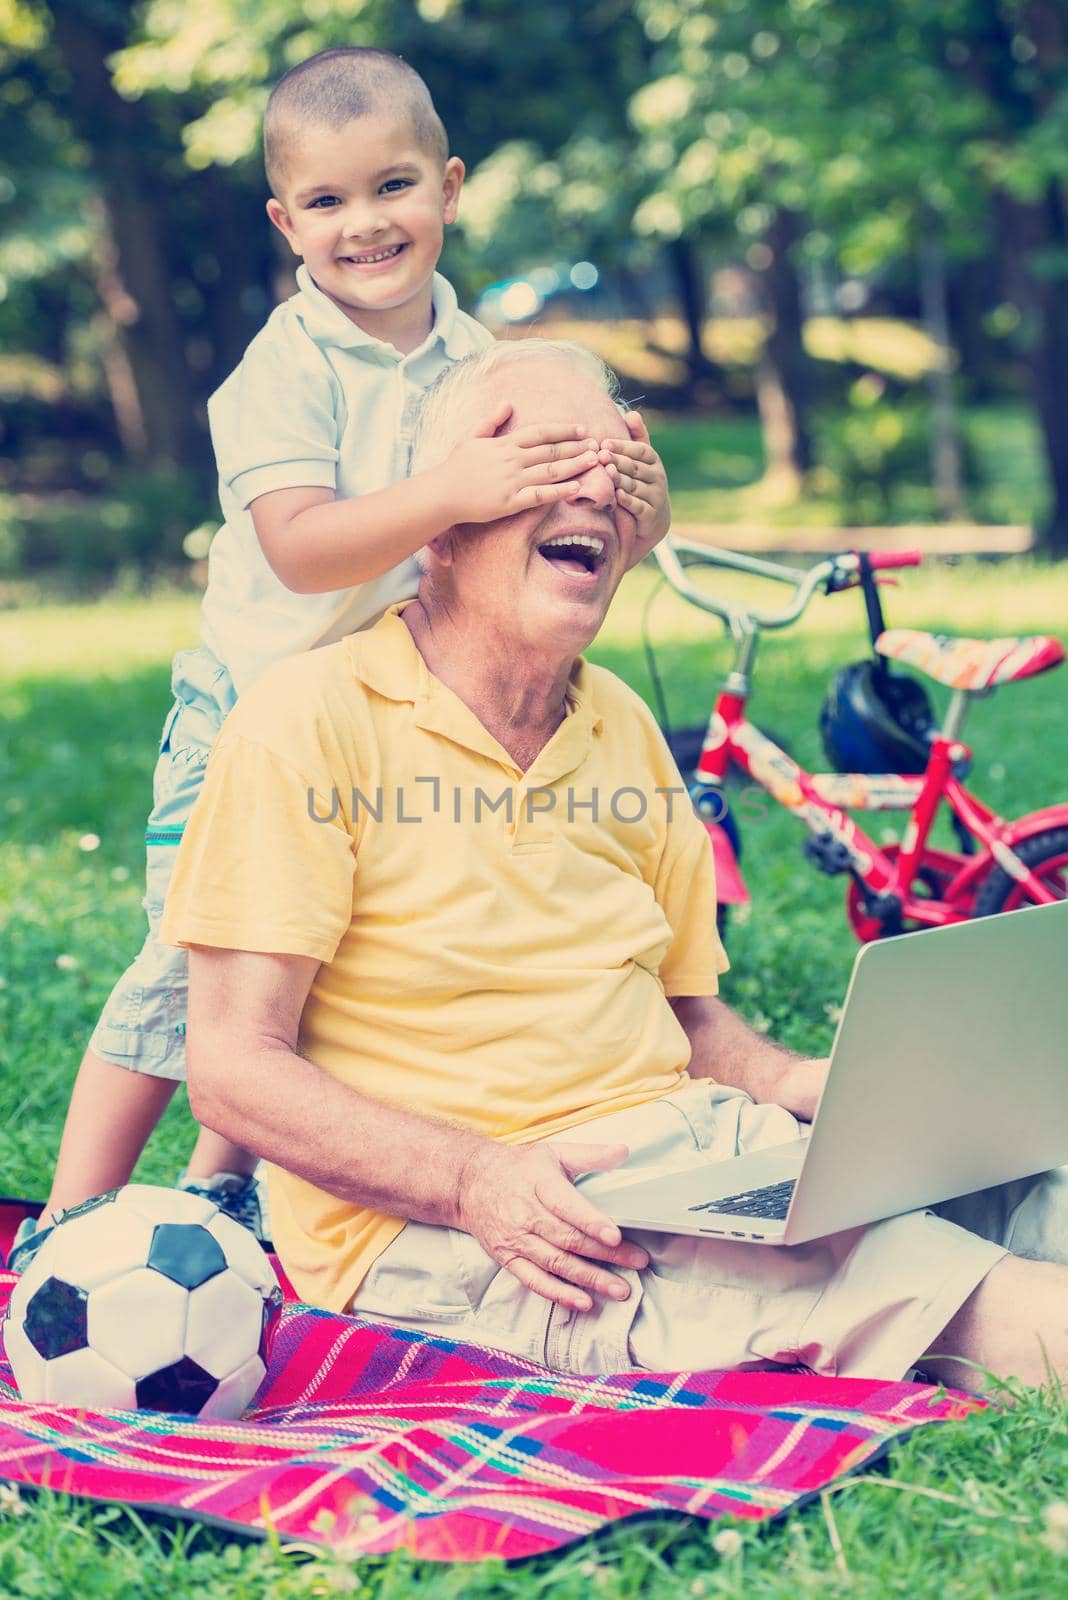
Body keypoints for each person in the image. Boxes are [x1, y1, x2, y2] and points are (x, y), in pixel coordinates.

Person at [161, 339, 1067, 1394]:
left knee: (1037, 1171)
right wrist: (473, 1179)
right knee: (970, 1296)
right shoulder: (307, 721)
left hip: (698, 1156)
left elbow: (686, 1018)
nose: (593, 480)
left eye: (614, 456)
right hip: (485, 1231)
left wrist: (809, 1090)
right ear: (440, 520)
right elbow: (230, 1068)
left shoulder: (621, 724)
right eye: (547, 456)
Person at [9, 51, 672, 1271]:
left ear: (451, 188)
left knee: (328, 969)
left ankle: (225, 1197)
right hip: (248, 712)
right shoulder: (284, 370)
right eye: (326, 202)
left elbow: (585, 519)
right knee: (189, 975)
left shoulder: (481, 356)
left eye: (394, 187)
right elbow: (304, 551)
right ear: (284, 221)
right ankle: (64, 1221)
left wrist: (640, 492)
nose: (364, 224)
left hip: (383, 711)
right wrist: (450, 487)